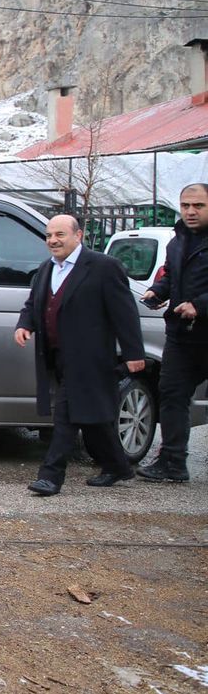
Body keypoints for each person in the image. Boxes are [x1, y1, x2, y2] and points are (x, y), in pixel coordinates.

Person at [14, 214, 146, 496]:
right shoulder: (46, 269)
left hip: (90, 357)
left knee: (67, 415)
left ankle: (50, 476)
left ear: (79, 236)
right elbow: (34, 303)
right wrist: (25, 324)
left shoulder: (103, 267)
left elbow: (125, 312)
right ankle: (118, 466)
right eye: (49, 235)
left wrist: (134, 352)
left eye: (60, 234)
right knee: (92, 415)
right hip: (57, 356)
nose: (53, 240)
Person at [139, 182, 208, 483]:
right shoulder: (177, 240)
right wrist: (157, 291)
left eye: (199, 206)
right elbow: (170, 275)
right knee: (172, 395)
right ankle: (172, 462)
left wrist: (200, 305)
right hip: (182, 335)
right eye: (186, 205)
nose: (191, 211)